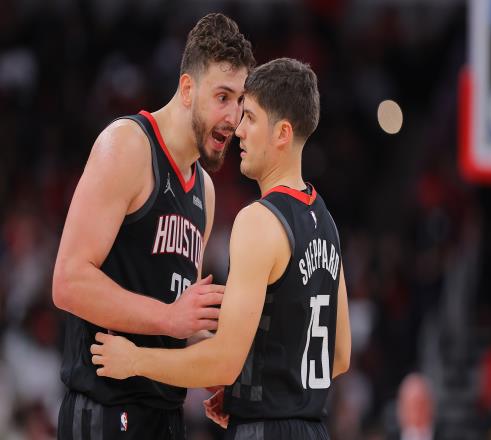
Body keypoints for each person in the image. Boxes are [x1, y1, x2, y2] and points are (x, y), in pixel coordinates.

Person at [90, 58, 351, 440]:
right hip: (313, 429)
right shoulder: (327, 223)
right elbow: (339, 355)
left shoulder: (259, 220)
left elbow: (223, 363)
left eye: (251, 119)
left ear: (282, 133)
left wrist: (134, 359)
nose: (238, 131)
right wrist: (255, 390)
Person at [52, 13, 255, 440]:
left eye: (240, 101)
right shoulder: (128, 144)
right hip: (107, 409)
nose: (234, 117)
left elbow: (182, 323)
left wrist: (217, 375)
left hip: (166, 415)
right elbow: (68, 281)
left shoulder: (205, 189)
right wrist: (169, 318)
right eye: (222, 97)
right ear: (187, 89)